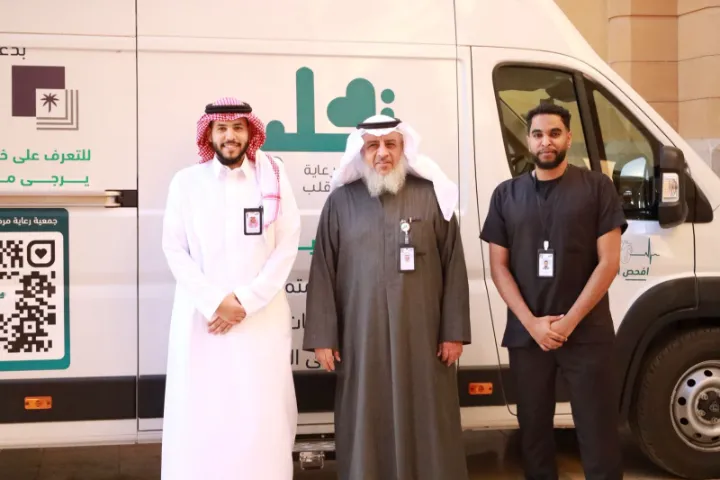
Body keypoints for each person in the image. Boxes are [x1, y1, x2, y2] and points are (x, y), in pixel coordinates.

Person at [302, 114, 471, 480]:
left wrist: (453, 332)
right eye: (373, 146)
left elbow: (454, 266)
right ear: (361, 152)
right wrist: (323, 338)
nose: (382, 153)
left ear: (403, 148)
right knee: (366, 412)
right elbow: (323, 271)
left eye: (390, 144)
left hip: (424, 338)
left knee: (428, 412)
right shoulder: (341, 203)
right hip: (360, 337)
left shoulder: (432, 197)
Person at [480, 102, 626, 480]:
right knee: (533, 434)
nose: (546, 141)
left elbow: (609, 262)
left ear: (568, 138)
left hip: (587, 332)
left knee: (598, 430)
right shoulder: (506, 195)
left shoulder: (597, 187)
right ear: (529, 141)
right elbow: (498, 267)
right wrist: (533, 324)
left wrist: (568, 323)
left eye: (554, 133)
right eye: (538, 134)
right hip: (528, 335)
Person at [160, 97, 301, 480]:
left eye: (238, 128)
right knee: (202, 411)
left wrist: (245, 302)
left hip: (260, 319)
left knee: (259, 411)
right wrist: (215, 302)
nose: (230, 136)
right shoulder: (186, 183)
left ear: (250, 133)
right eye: (221, 128)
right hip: (202, 320)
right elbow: (174, 248)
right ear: (209, 134)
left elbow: (287, 244)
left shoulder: (272, 179)